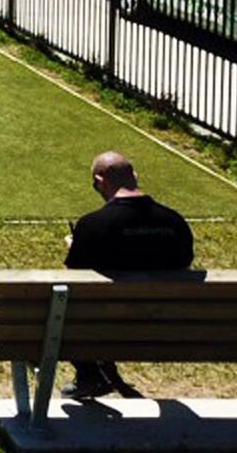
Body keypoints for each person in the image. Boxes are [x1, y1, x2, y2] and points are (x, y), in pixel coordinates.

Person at [63, 150, 194, 400]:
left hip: (109, 327)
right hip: (169, 329)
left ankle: (90, 374)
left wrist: (77, 245)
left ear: (101, 182)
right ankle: (100, 374)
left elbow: (74, 280)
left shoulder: (92, 226)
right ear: (135, 176)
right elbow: (182, 266)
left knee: (63, 306)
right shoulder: (175, 222)